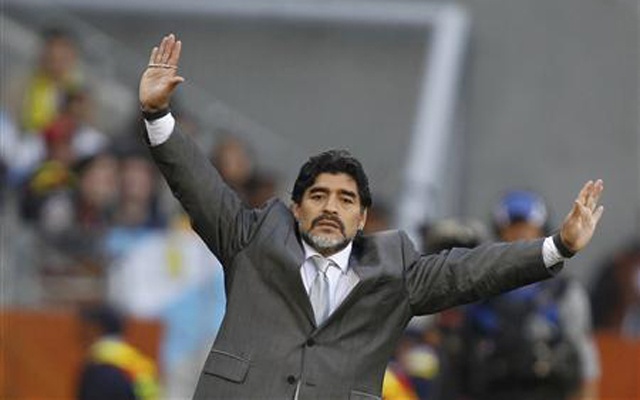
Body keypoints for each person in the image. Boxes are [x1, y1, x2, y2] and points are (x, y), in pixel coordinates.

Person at [138, 34, 604, 399]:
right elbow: (199, 186)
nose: (330, 207)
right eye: (318, 196)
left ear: (362, 219)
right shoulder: (253, 240)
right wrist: (158, 115)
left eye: (345, 200)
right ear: (296, 207)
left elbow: (470, 271)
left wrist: (557, 246)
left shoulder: (393, 269)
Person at [460, 190, 601, 400]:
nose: (520, 235)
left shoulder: (563, 291)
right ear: (499, 233)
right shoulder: (480, 288)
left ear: (542, 232)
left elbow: (583, 359)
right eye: (512, 228)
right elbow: (462, 360)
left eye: (527, 228)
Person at [77, 304, 160, 400]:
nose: (80, 335)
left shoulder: (99, 365)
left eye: (84, 329)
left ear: (94, 328)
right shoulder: (140, 363)